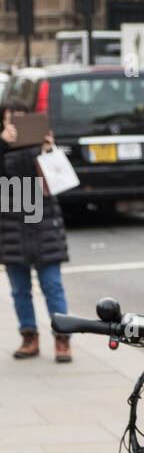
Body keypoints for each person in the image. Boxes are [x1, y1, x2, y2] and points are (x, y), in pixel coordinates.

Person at [0, 94, 72, 360]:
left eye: (20, 119)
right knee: (19, 289)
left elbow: (62, 181)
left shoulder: (41, 145)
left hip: (43, 222)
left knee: (52, 285)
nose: (14, 125)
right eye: (9, 120)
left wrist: (49, 150)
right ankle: (28, 336)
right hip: (11, 225)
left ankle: (62, 338)